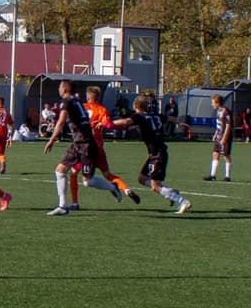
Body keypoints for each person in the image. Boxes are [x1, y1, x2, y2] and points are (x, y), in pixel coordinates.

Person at [110, 94, 190, 213]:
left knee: (155, 186)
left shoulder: (139, 116)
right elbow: (169, 118)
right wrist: (179, 123)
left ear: (135, 106)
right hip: (155, 154)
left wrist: (108, 123)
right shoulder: (155, 115)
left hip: (158, 155)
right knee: (142, 179)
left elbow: (126, 121)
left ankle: (182, 201)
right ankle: (170, 192)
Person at [42, 79, 97, 215]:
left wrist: (51, 140)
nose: (59, 89)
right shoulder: (76, 100)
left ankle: (112, 187)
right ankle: (62, 206)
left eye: (60, 87)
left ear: (65, 89)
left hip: (84, 143)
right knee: (60, 170)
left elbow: (60, 123)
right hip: (79, 142)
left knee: (87, 181)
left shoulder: (67, 101)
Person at [81, 86, 138, 202]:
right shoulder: (102, 110)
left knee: (79, 177)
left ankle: (74, 203)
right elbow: (108, 125)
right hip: (98, 147)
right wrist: (122, 127)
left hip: (85, 147)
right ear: (98, 98)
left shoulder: (82, 108)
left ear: (87, 97)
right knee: (107, 174)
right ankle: (126, 189)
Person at [206, 95, 235, 182]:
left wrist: (224, 138)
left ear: (218, 103)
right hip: (218, 136)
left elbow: (228, 125)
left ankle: (227, 177)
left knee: (226, 155)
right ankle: (212, 175)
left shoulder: (226, 111)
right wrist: (215, 134)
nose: (212, 104)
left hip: (225, 137)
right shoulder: (218, 111)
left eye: (213, 103)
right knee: (215, 154)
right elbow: (219, 125)